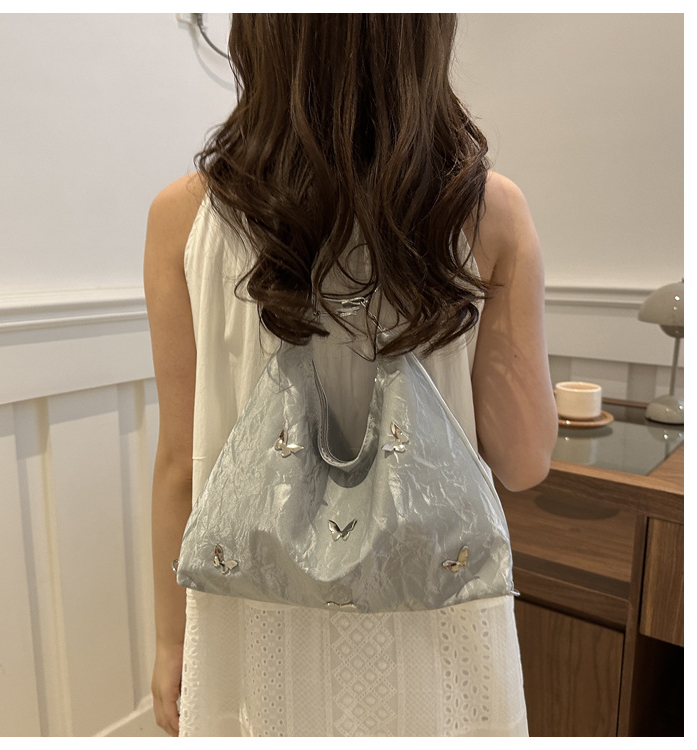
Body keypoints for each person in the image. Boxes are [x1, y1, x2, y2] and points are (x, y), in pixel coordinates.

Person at [145, 14, 557, 737]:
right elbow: (525, 461)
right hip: (434, 619)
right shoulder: (486, 212)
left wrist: (170, 641)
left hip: (249, 619)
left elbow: (181, 462)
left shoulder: (182, 217)